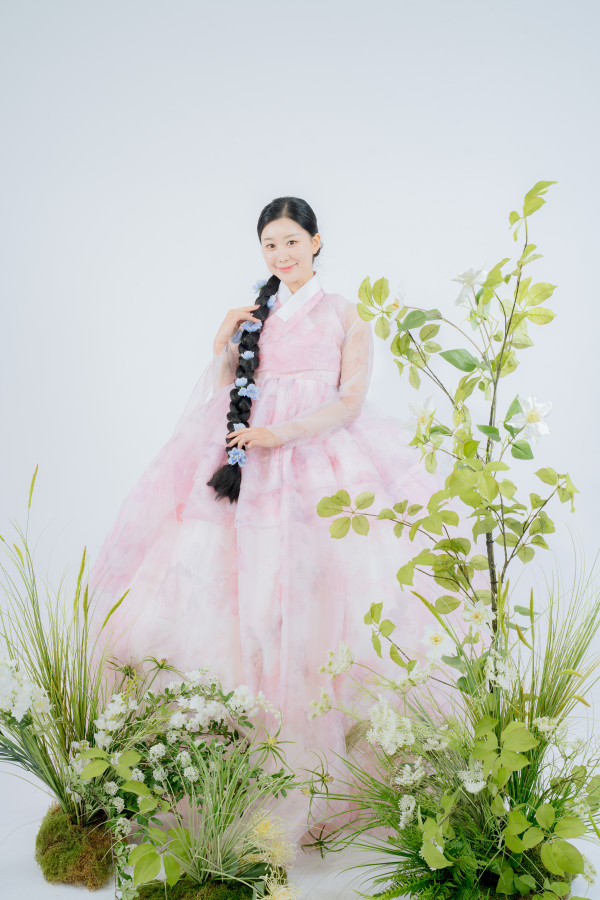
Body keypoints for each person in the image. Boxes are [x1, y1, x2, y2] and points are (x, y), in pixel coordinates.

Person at [88, 196, 436, 845]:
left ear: (316, 241)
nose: (282, 254)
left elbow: (349, 402)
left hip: (316, 465)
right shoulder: (257, 314)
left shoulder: (345, 314)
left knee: (321, 596)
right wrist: (222, 341)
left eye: (291, 241)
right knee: (231, 595)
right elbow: (229, 390)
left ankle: (321, 763)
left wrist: (279, 433)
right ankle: (230, 757)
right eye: (270, 245)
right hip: (246, 471)